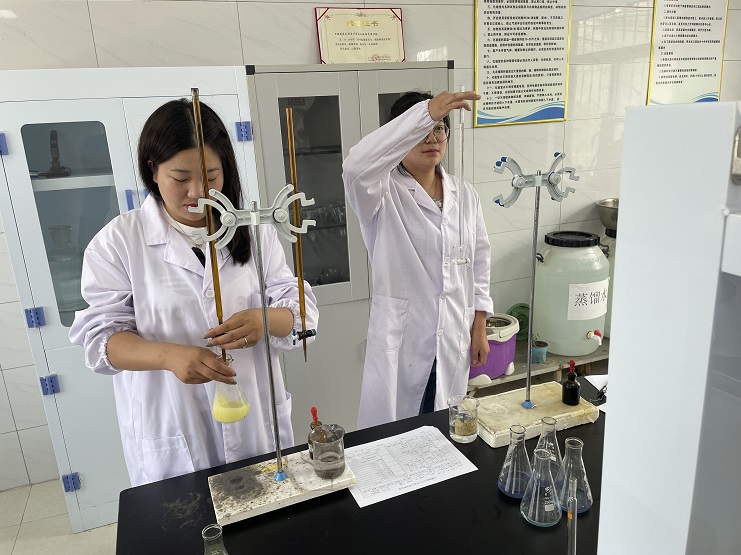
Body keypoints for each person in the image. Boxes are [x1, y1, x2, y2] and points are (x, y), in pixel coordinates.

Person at [69, 99, 318, 486]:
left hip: (255, 421)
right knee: (188, 517)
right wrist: (168, 356)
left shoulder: (254, 230)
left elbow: (300, 310)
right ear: (153, 170)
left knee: (267, 513)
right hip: (174, 425)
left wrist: (266, 320)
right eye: (180, 177)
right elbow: (100, 341)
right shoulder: (118, 243)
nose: (198, 192)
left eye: (211, 176)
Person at [343, 90, 493, 429]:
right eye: (421, 130)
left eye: (439, 128)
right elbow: (354, 166)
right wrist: (425, 113)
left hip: (453, 335)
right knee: (401, 435)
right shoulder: (380, 191)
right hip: (404, 341)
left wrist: (480, 327)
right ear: (400, 135)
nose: (432, 138)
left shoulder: (465, 194)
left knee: (443, 428)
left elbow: (480, 262)